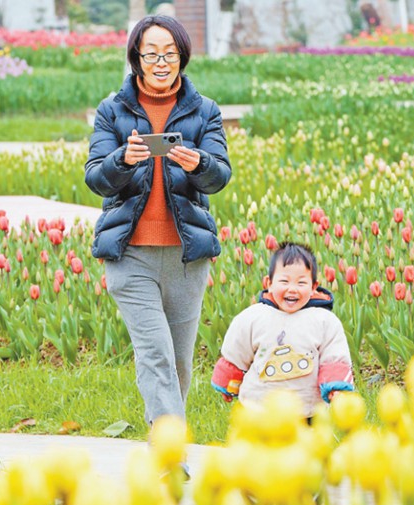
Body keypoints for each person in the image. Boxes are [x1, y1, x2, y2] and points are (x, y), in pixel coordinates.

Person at [84, 15, 231, 426]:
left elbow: (220, 175)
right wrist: (122, 160)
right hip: (131, 256)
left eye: (169, 53)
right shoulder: (112, 111)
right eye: (151, 53)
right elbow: (95, 177)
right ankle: (171, 453)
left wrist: (199, 163)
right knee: (156, 355)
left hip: (187, 258)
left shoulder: (205, 112)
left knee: (180, 364)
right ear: (137, 58)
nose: (161, 62)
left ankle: (162, 440)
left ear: (182, 56)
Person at [211, 243, 354, 418]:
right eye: (284, 281)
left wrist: (336, 386)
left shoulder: (324, 321)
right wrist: (228, 381)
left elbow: (334, 356)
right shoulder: (253, 317)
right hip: (259, 408)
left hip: (306, 409)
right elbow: (236, 351)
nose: (292, 289)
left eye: (301, 282)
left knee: (305, 445)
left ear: (314, 286)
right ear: (269, 283)